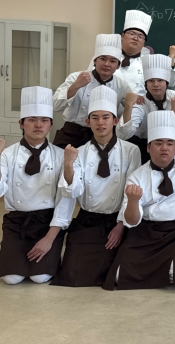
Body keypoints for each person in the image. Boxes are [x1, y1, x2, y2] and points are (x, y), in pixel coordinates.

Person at [102, 110, 175, 290]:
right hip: (145, 232)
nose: (164, 148)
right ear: (148, 147)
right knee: (119, 276)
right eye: (158, 143)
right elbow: (132, 221)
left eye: (170, 143)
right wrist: (133, 201)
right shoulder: (137, 176)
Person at [52, 86, 141, 287]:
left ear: (115, 121)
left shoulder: (131, 151)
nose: (100, 122)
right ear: (88, 122)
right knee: (72, 275)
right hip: (88, 221)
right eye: (95, 118)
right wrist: (68, 165)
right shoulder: (79, 152)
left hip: (118, 220)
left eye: (106, 117)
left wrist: (120, 225)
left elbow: (131, 191)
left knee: (118, 275)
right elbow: (72, 191)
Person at [0, 87, 75, 285]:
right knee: (11, 278)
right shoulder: (7, 154)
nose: (38, 125)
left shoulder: (61, 155)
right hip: (16, 224)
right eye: (32, 120)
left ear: (51, 125)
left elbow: (66, 199)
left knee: (40, 277)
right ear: (21, 123)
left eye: (44, 120)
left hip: (46, 223)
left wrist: (49, 238)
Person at [53, 34, 131, 148]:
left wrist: (132, 102)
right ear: (95, 61)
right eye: (103, 59)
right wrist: (76, 85)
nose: (107, 64)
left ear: (118, 66)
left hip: (103, 137)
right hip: (72, 134)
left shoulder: (122, 86)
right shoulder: (76, 77)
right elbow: (56, 105)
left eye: (113, 61)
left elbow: (131, 109)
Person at [116, 54, 175, 163]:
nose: (155, 84)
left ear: (167, 83)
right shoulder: (140, 103)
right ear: (146, 84)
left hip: (170, 147)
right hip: (144, 146)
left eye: (160, 80)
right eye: (151, 81)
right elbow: (123, 134)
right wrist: (129, 105)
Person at [114, 10, 153, 96]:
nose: (135, 38)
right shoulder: (109, 57)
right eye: (132, 34)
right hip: (110, 102)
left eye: (140, 36)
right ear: (122, 36)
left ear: (144, 42)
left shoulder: (148, 62)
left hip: (137, 103)